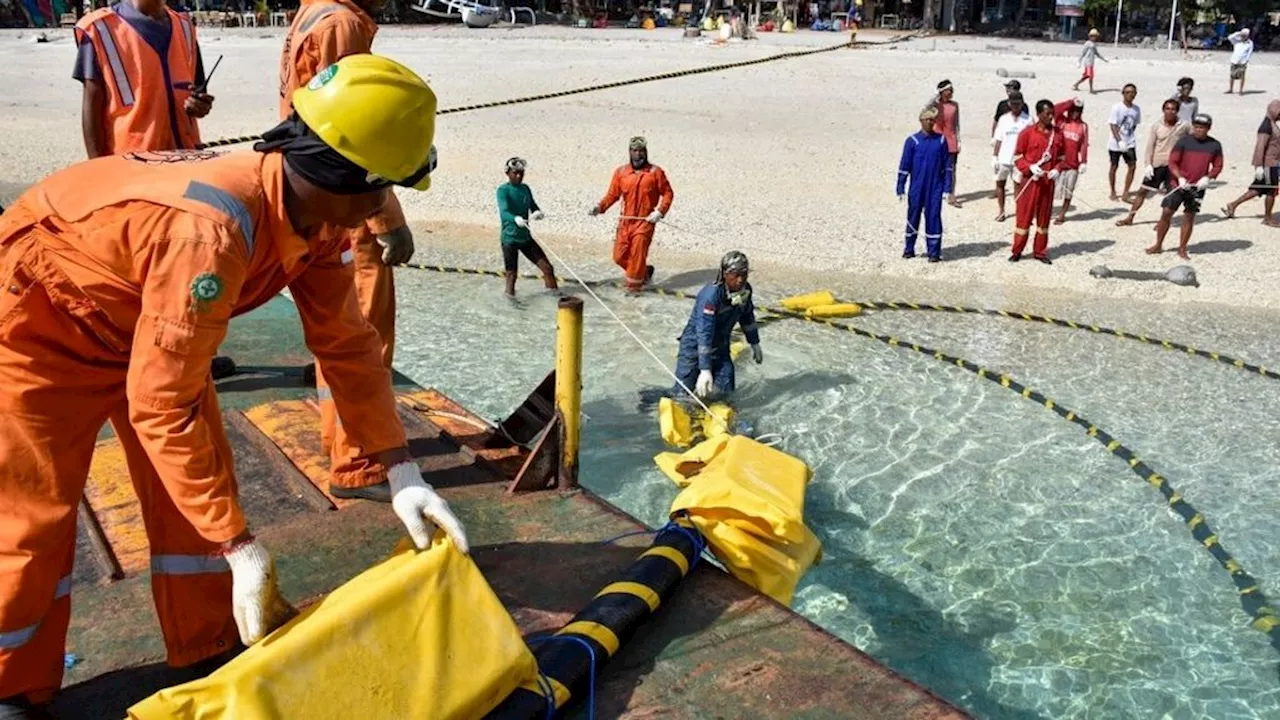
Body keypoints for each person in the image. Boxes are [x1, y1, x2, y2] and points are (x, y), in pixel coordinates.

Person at [0, 55, 465, 718]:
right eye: (383, 190)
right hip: (43, 321)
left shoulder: (319, 217)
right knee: (33, 515)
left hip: (143, 315)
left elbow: (348, 346)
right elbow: (160, 405)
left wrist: (401, 469)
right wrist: (240, 544)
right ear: (347, 180)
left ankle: (208, 645)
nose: (380, 210)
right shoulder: (212, 230)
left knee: (194, 485)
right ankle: (13, 688)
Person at [278, 0, 419, 494]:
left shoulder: (314, 12)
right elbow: (352, 131)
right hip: (346, 202)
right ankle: (358, 460)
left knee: (336, 330)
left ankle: (337, 438)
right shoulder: (342, 24)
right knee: (363, 337)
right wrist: (386, 218)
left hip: (315, 194)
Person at [73, 0, 213, 159]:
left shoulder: (185, 27)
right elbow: (92, 106)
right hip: (131, 163)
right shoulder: (98, 29)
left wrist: (200, 106)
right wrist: (98, 168)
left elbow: (198, 92)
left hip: (188, 155)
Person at [589, 136, 674, 292]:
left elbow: (668, 193)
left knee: (636, 258)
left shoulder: (655, 172)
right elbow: (612, 195)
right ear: (629, 152)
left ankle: (633, 293)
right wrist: (599, 207)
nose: (638, 154)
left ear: (646, 152)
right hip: (625, 222)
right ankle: (644, 272)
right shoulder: (621, 172)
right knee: (618, 257)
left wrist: (660, 212)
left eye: (641, 151)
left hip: (645, 223)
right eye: (635, 151)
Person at [673, 251, 761, 399]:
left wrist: (755, 343)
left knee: (725, 391)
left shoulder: (746, 290)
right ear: (724, 274)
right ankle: (652, 399)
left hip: (721, 348)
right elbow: (704, 333)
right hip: (694, 349)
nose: (740, 280)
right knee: (682, 394)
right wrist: (705, 369)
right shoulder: (711, 296)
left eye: (744, 274)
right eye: (735, 274)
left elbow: (748, 317)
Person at [1147, 113, 1223, 259]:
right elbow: (1173, 162)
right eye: (1197, 127)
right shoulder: (1183, 142)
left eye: (1203, 128)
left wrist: (1208, 177)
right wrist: (1180, 178)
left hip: (1197, 187)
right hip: (1177, 184)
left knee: (1189, 216)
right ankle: (1158, 244)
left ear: (1209, 128)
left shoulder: (1215, 145)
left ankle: (1182, 248)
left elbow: (1218, 165)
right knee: (1166, 213)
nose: (1199, 130)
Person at [1115, 98, 1188, 226]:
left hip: (1175, 166)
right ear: (1163, 110)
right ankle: (1130, 218)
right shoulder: (1156, 126)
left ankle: (1163, 221)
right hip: (1157, 164)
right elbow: (1150, 146)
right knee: (1143, 191)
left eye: (1173, 109)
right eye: (1167, 109)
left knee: (1170, 194)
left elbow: (1194, 139)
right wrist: (1148, 164)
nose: (1170, 112)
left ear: (1177, 111)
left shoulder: (1184, 126)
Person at [1010, 99, 1065, 264]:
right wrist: (1030, 167)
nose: (1051, 117)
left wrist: (1057, 169)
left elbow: (1062, 158)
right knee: (1023, 217)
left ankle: (1040, 252)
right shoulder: (1026, 133)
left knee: (1044, 219)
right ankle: (1017, 250)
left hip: (1047, 183)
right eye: (1047, 114)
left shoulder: (1058, 134)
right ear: (1039, 114)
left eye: (1052, 113)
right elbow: (1018, 157)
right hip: (1030, 181)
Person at [496, 157, 559, 296]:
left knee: (548, 268)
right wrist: (515, 218)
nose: (519, 176)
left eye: (521, 173)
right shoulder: (503, 190)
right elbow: (504, 212)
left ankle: (553, 298)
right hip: (510, 239)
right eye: (515, 173)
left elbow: (532, 205)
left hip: (525, 238)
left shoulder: (525, 189)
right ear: (508, 173)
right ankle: (510, 303)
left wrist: (538, 212)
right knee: (512, 275)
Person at [897, 107, 953, 262]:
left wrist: (947, 188)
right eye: (928, 120)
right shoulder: (912, 141)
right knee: (913, 215)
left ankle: (934, 252)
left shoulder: (941, 141)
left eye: (933, 120)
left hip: (935, 186)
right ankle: (909, 249)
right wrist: (900, 187)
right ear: (921, 121)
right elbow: (904, 166)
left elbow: (947, 166)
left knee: (933, 217)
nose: (931, 122)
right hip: (917, 186)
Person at [1222, 100, 1280, 226]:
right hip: (1268, 165)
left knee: (1258, 188)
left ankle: (1233, 204)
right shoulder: (1266, 127)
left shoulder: (1272, 124)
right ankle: (1268, 218)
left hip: (1272, 164)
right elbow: (1260, 147)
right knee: (1271, 191)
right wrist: (1258, 167)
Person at [992, 92, 1031, 222]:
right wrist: (994, 157)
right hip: (1004, 157)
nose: (1015, 106)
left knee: (1018, 185)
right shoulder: (1003, 119)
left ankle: (1020, 211)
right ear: (1009, 104)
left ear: (1022, 103)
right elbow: (999, 139)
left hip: (1019, 159)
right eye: (1013, 104)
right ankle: (1001, 211)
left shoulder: (1028, 120)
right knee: (1000, 184)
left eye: (1018, 104)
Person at [926, 80, 962, 207]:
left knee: (951, 169)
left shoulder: (955, 105)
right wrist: (936, 95)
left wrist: (959, 140)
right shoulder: (935, 105)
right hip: (936, 139)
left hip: (951, 140)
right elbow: (926, 108)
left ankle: (951, 195)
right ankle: (934, 192)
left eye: (952, 90)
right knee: (935, 167)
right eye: (948, 90)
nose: (951, 92)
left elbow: (956, 124)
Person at [1053, 97, 1089, 225]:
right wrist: (1069, 103)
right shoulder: (1061, 121)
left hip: (1073, 164)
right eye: (1073, 110)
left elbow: (1084, 144)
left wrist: (1084, 161)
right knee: (1051, 188)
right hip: (1057, 163)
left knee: (1069, 190)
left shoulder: (1083, 126)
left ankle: (1062, 214)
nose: (1075, 113)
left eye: (1078, 111)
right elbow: (1055, 109)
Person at [1108, 84, 1141, 201]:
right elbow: (1113, 124)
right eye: (1127, 92)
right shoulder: (1117, 107)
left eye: (1132, 92)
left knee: (1132, 166)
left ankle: (1126, 192)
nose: (1130, 94)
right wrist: (1119, 140)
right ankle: (1113, 191)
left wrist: (1128, 137)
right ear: (1123, 93)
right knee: (1114, 166)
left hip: (1130, 141)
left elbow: (1135, 124)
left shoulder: (1136, 109)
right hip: (1115, 143)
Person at [1072, 28, 1108, 95]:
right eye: (1093, 36)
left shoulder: (1094, 44)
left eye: (1095, 36)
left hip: (1091, 63)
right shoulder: (1087, 43)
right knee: (1091, 76)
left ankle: (1076, 84)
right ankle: (1091, 89)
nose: (1094, 37)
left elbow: (1097, 53)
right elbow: (1083, 53)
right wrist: (1079, 61)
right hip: (1087, 62)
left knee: (1086, 76)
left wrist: (1104, 59)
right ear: (1090, 36)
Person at [1226, 28, 1253, 96]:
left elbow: (1249, 53)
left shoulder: (1250, 43)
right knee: (1232, 75)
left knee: (1242, 76)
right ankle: (1230, 89)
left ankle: (1240, 90)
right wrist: (1239, 33)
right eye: (1243, 35)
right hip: (1234, 60)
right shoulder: (1236, 41)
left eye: (1245, 35)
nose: (1243, 36)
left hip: (1242, 62)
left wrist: (1246, 60)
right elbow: (1230, 37)